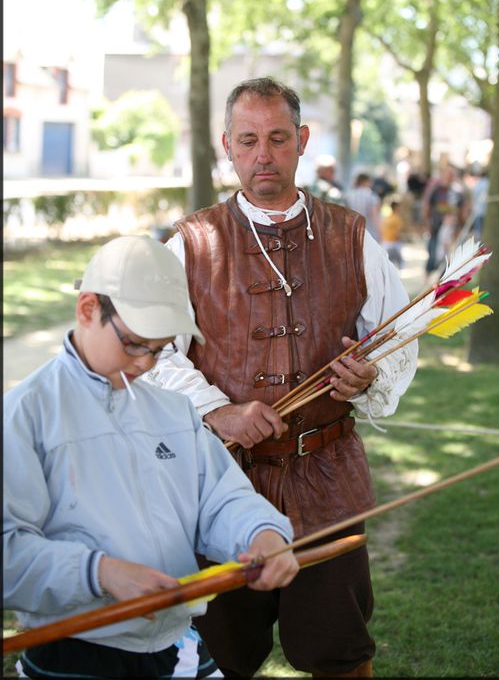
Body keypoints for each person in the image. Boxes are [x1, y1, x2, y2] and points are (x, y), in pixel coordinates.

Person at [148, 77, 418, 678]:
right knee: (218, 656)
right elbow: (155, 353)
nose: (262, 154)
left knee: (338, 653)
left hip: (328, 482)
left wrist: (367, 378)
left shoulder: (352, 236)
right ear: (227, 145)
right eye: (248, 140)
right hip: (221, 486)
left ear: (301, 140)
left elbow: (399, 335)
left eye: (276, 138)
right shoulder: (191, 244)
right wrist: (219, 411)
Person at [3, 235, 299, 680]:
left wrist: (260, 534)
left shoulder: (172, 409)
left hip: (177, 645)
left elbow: (219, 498)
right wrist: (99, 573)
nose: (145, 362)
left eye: (158, 349)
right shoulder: (25, 414)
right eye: (135, 343)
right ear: (87, 310)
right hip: (74, 651)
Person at [423, 163, 470, 276]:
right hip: (436, 227)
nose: (449, 177)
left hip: (452, 230)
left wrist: (461, 225)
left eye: (451, 175)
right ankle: (428, 278)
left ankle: (442, 281)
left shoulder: (458, 192)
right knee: (433, 255)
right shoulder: (435, 190)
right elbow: (427, 207)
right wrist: (427, 224)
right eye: (447, 174)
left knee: (448, 258)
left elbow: (463, 210)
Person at [345, 172, 382, 242]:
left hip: (353, 232)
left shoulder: (348, 195)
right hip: (369, 232)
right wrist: (380, 233)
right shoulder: (371, 195)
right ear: (366, 181)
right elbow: (375, 216)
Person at [381, 199, 404, 269]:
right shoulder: (397, 219)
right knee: (399, 264)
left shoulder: (386, 218)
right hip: (394, 244)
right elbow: (398, 233)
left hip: (385, 243)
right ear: (396, 207)